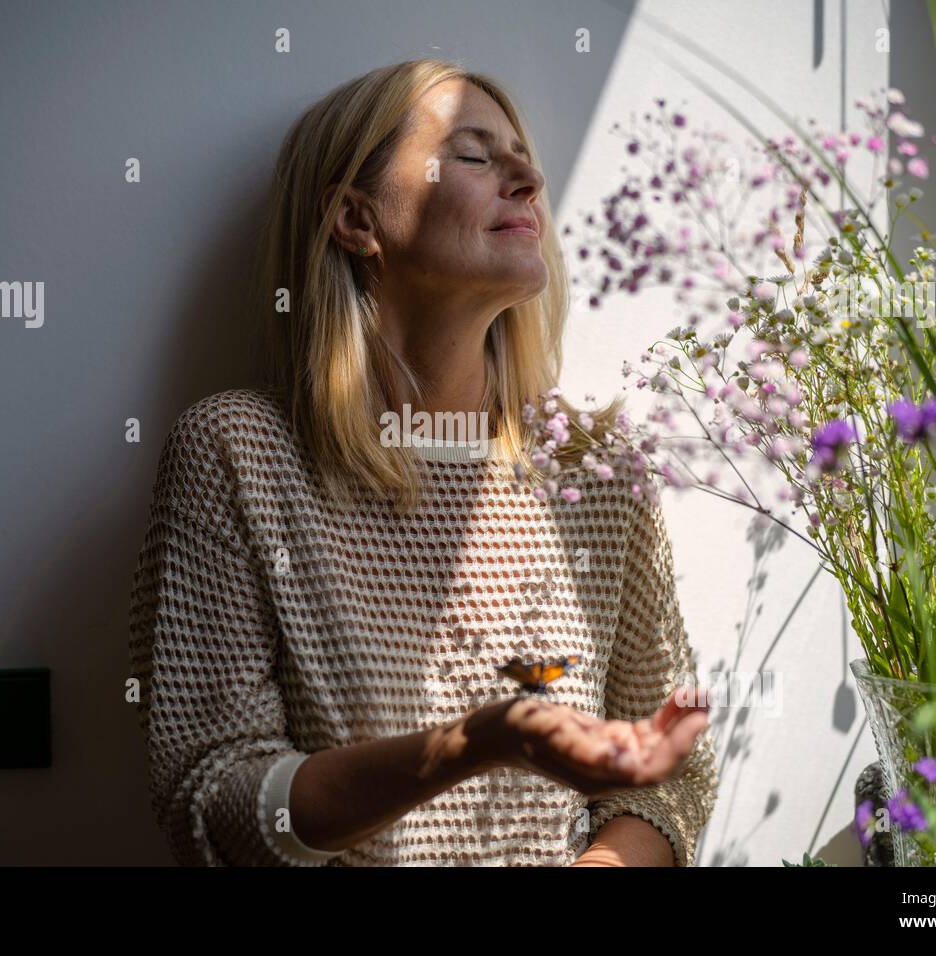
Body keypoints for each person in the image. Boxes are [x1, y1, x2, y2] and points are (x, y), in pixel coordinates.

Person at [127, 57, 718, 867]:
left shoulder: (594, 470)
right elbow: (215, 801)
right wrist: (480, 740)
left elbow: (668, 786)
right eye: (474, 156)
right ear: (357, 221)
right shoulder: (239, 456)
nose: (529, 177)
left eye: (522, 155)